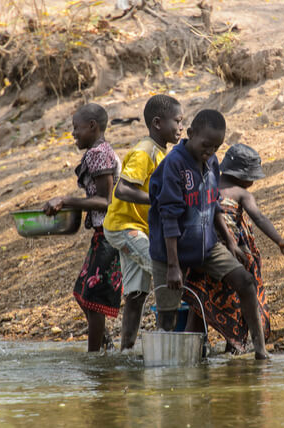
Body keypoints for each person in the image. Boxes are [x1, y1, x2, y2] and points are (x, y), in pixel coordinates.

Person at [148, 109, 269, 360]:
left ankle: (260, 349)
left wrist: (231, 242)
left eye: (216, 147)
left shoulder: (212, 162)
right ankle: (163, 363)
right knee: (168, 316)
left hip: (206, 245)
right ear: (190, 134)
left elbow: (213, 205)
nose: (210, 151)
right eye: (206, 145)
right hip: (170, 251)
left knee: (245, 281)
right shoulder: (174, 165)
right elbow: (169, 216)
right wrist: (172, 266)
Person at [183, 143, 284, 353]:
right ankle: (236, 351)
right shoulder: (241, 194)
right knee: (236, 302)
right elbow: (259, 218)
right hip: (230, 258)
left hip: (200, 254)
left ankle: (189, 355)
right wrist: (280, 241)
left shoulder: (205, 183)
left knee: (198, 308)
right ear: (244, 175)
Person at [103, 94, 183, 350]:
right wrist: (158, 200)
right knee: (163, 269)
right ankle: (166, 337)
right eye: (177, 122)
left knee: (136, 294)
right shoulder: (145, 151)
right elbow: (123, 190)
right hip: (124, 227)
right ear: (158, 123)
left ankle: (125, 351)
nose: (180, 127)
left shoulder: (161, 153)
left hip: (135, 228)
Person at [43, 103, 122, 352]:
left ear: (92, 126)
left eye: (76, 128)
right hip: (103, 233)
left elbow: (104, 201)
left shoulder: (99, 153)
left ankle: (95, 356)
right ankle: (104, 346)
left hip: (110, 233)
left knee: (93, 299)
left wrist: (66, 201)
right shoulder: (98, 151)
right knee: (82, 293)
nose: (73, 133)